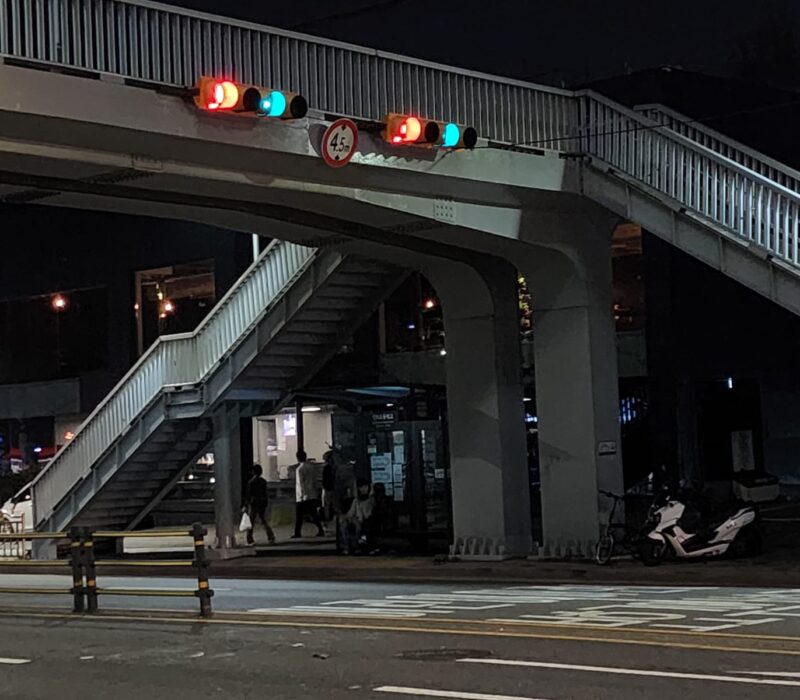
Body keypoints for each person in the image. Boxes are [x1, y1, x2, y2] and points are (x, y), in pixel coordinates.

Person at [293, 451, 325, 538]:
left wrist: (303, 495)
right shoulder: (311, 467)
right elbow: (315, 481)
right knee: (313, 514)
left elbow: (301, 483)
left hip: (302, 496)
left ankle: (297, 533)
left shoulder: (299, 469)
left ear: (297, 458)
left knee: (299, 516)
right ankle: (320, 529)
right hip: (312, 494)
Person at [341, 478, 375, 554]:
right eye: (361, 487)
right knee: (344, 526)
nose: (363, 489)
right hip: (356, 520)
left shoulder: (371, 500)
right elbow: (351, 513)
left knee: (359, 527)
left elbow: (368, 513)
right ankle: (346, 547)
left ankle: (358, 546)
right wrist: (348, 518)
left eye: (365, 487)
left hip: (367, 521)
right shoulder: (356, 501)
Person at [245, 464, 275, 545]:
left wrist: (246, 504)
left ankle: (249, 538)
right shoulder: (263, 481)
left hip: (254, 503)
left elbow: (249, 494)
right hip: (261, 502)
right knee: (264, 520)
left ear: (253, 472)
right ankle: (270, 536)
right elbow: (265, 493)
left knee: (251, 521)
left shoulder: (251, 482)